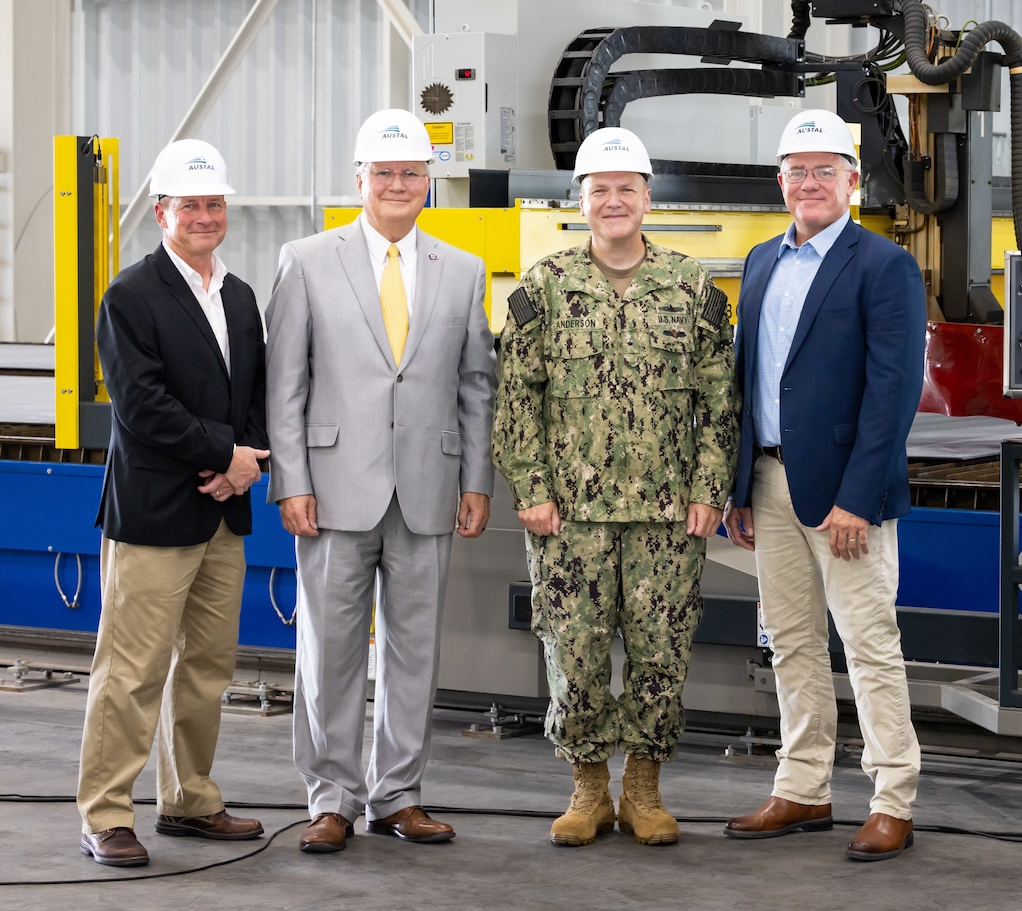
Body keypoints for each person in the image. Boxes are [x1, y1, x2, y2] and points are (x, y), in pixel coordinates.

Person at [492, 126, 738, 847]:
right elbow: (516, 401)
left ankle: (644, 789)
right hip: (569, 516)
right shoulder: (544, 286)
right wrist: (531, 489)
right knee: (574, 652)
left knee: (663, 652)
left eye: (626, 188)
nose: (613, 201)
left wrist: (709, 489)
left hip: (667, 514)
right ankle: (588, 787)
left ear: (647, 198)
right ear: (580, 200)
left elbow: (719, 401)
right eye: (599, 189)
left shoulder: (692, 287)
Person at [265, 109, 496, 853]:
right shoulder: (305, 259)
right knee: (329, 650)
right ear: (358, 178)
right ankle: (330, 797)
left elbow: (475, 386)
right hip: (331, 488)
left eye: (411, 173)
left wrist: (477, 479)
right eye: (384, 172)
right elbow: (285, 386)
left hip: (428, 485)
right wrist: (291, 480)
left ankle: (397, 795)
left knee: (414, 649)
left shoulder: (460, 271)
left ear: (429, 182)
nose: (398, 184)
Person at [723, 110, 927, 861]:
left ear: (850, 180)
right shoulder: (759, 262)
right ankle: (803, 786)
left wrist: (857, 498)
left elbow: (892, 393)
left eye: (823, 170)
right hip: (770, 483)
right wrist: (739, 484)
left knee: (869, 645)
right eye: (796, 171)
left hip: (844, 493)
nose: (808, 183)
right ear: (780, 182)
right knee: (791, 644)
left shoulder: (883, 266)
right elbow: (748, 383)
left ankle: (892, 795)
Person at [77, 139, 269, 867]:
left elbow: (256, 395)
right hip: (156, 515)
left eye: (214, 204)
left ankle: (189, 799)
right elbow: (141, 406)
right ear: (161, 212)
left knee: (206, 669)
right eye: (190, 204)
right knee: (130, 673)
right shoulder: (130, 295)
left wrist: (243, 465)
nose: (204, 216)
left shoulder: (242, 297)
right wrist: (223, 456)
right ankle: (106, 814)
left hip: (222, 511)